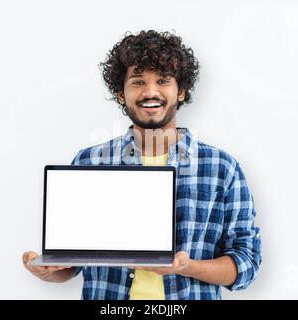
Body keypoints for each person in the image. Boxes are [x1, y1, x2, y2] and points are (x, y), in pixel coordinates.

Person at [23, 30, 262, 300]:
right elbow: (73, 264)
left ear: (181, 91)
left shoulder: (223, 168)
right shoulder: (89, 162)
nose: (150, 92)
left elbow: (246, 263)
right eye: (137, 81)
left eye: (163, 81)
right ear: (121, 93)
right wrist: (47, 270)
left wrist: (187, 267)